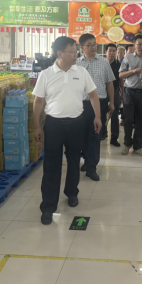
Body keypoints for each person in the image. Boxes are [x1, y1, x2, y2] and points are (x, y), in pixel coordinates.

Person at [32, 36, 102, 225]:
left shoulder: (81, 72)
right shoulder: (46, 74)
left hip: (77, 124)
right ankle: (48, 206)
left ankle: (72, 192)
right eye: (72, 52)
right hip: (53, 125)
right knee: (51, 165)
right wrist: (37, 126)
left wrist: (97, 116)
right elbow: (38, 102)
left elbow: (93, 95)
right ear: (60, 53)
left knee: (74, 161)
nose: (75, 55)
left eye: (75, 51)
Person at [77, 34, 115, 181]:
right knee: (81, 135)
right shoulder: (76, 63)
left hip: (99, 104)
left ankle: (92, 167)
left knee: (95, 135)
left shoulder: (104, 62)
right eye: (89, 45)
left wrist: (112, 102)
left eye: (94, 44)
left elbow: (109, 83)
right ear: (82, 47)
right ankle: (87, 160)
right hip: (80, 104)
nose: (93, 47)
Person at [102, 43, 123, 147]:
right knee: (102, 114)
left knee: (114, 115)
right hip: (102, 92)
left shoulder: (119, 65)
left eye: (114, 51)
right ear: (106, 52)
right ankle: (103, 133)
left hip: (115, 91)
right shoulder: (102, 64)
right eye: (110, 51)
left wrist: (122, 92)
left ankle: (114, 138)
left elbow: (121, 80)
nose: (112, 53)